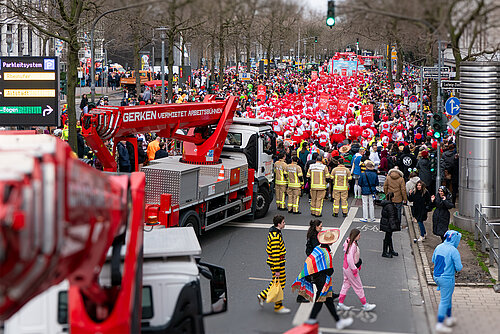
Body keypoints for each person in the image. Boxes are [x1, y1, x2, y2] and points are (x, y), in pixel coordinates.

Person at [291, 229, 354, 330]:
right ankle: (312, 321)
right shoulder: (326, 253)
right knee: (321, 300)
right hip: (322, 280)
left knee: (327, 300)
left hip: (314, 277)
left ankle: (337, 321)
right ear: (330, 242)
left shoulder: (317, 249)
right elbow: (330, 271)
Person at [337, 228, 376, 312]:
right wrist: (354, 269)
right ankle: (365, 305)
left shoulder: (348, 241)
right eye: (359, 235)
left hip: (346, 268)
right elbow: (350, 259)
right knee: (358, 286)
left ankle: (340, 303)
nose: (360, 236)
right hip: (351, 269)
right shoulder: (353, 246)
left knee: (346, 284)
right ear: (356, 236)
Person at [258, 215, 290, 314]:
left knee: (277, 283)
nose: (284, 224)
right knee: (280, 284)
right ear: (279, 224)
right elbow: (276, 254)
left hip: (277, 262)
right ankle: (278, 306)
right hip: (277, 263)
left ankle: (263, 296)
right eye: (283, 222)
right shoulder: (276, 237)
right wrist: (277, 270)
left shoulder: (275, 233)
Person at [432, 230, 463, 333]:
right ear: (455, 239)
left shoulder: (438, 246)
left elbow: (433, 260)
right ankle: (440, 324)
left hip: (436, 276)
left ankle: (449, 319)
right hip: (447, 278)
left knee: (447, 297)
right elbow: (459, 267)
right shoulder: (453, 251)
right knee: (445, 300)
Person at [380, 192, 400, 258]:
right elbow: (391, 216)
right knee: (387, 237)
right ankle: (385, 252)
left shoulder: (386, 204)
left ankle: (390, 250)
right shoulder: (390, 206)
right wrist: (393, 226)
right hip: (388, 224)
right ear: (392, 198)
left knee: (388, 237)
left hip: (386, 223)